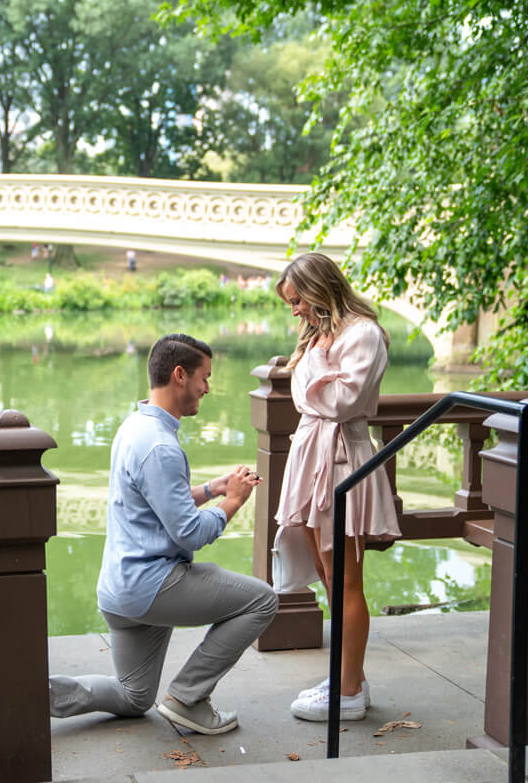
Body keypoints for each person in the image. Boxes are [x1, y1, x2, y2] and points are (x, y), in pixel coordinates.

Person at [49, 334, 279, 735]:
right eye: (204, 378)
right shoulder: (160, 445)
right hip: (151, 586)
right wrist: (234, 502)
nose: (207, 388)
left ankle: (32, 694)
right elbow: (189, 532)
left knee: (133, 697)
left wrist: (211, 489)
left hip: (120, 590)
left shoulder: (134, 425)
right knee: (262, 601)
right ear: (179, 375)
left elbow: (156, 499)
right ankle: (188, 697)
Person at [273, 252, 398, 722]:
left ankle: (347, 695)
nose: (296, 311)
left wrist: (315, 361)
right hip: (312, 456)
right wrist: (313, 366)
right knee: (329, 579)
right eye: (291, 304)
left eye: (298, 300)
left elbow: (340, 401)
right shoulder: (321, 337)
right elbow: (307, 394)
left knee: (346, 580)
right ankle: (350, 677)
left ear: (320, 289)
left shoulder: (362, 334)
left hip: (342, 460)